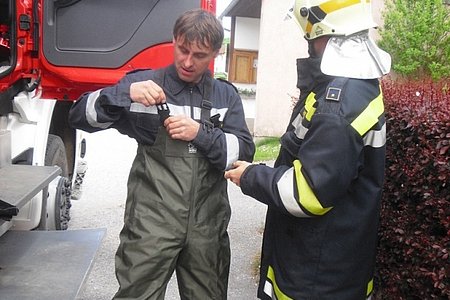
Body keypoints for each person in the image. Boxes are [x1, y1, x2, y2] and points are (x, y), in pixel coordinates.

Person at [69, 8, 255, 300]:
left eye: (200, 55)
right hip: (150, 227)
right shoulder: (143, 84)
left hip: (207, 229)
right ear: (174, 41)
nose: (188, 62)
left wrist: (201, 133)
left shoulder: (225, 96)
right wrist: (123, 95)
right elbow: (79, 115)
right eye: (182, 50)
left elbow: (243, 153)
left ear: (216, 54)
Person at [225, 0, 391, 299]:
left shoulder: (337, 105)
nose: (309, 46)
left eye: (310, 39)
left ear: (325, 35)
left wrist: (251, 175)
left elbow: (309, 195)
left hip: (315, 278)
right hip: (335, 267)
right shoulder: (357, 87)